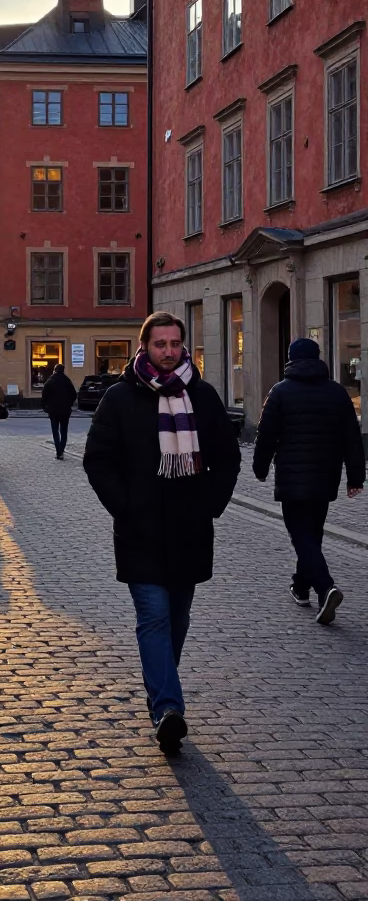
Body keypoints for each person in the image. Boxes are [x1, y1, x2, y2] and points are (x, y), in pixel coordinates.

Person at [83, 312, 240, 753]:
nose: (168, 351)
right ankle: (168, 709)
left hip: (190, 527)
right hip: (140, 529)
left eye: (174, 343)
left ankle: (160, 691)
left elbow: (227, 458)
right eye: (160, 344)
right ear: (144, 347)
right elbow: (98, 459)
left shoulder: (203, 396)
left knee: (178, 618)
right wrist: (125, 506)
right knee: (153, 616)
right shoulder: (120, 398)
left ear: (183, 345)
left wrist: (211, 503)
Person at [253, 336, 364, 625]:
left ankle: (326, 587)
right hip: (325, 476)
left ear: (290, 359)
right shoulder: (337, 393)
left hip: (292, 477)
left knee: (301, 535)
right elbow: (352, 437)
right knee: (312, 533)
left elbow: (266, 435)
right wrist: (355, 476)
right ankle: (301, 587)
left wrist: (260, 468)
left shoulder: (280, 392)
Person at [41, 362, 77, 460]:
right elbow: (74, 394)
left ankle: (58, 451)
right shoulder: (67, 381)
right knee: (64, 431)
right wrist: (69, 403)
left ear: (54, 370)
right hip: (65, 410)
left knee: (55, 431)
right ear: (63, 370)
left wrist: (45, 406)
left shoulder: (50, 380)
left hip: (53, 410)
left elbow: (44, 395)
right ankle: (62, 449)